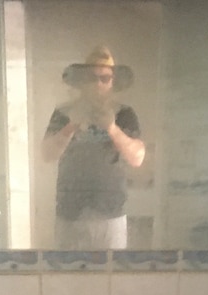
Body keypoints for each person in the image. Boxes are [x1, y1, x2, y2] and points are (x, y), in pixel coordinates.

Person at [42, 46, 145, 249]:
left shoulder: (124, 113)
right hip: (71, 213)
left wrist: (112, 128)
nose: (97, 84)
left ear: (112, 82)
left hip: (111, 213)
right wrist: (71, 125)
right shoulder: (64, 113)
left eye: (104, 78)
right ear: (82, 81)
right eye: (92, 77)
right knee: (68, 276)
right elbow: (46, 155)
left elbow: (137, 158)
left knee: (112, 277)